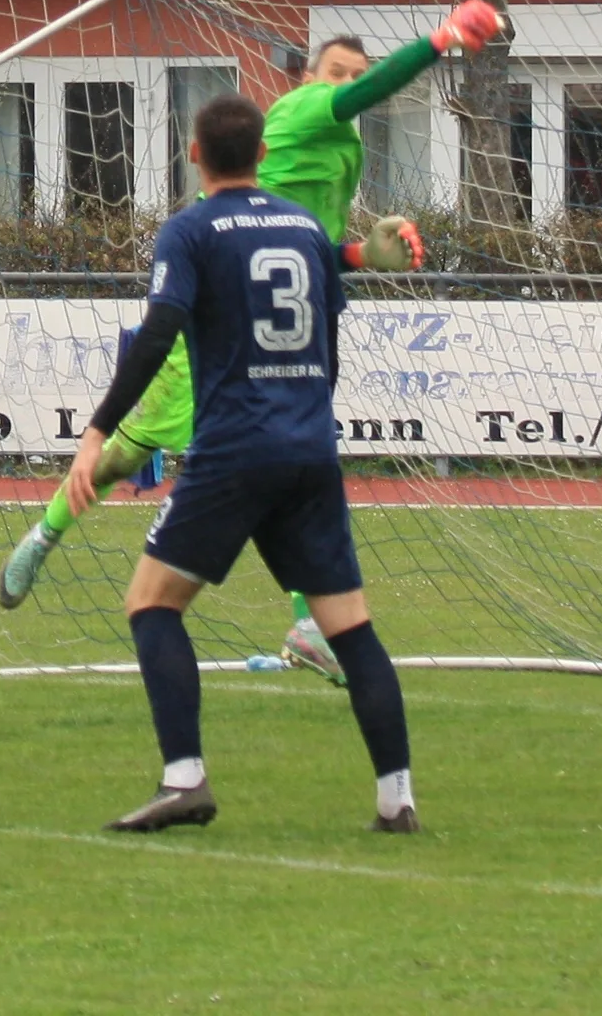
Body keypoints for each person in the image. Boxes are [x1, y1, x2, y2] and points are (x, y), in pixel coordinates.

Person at [0, 0, 504, 687]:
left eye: (349, 73)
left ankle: (305, 624)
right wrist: (440, 40)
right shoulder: (308, 111)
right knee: (133, 451)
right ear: (304, 80)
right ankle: (46, 532)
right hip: (223, 309)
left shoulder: (338, 139)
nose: (342, 83)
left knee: (290, 460)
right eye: (331, 71)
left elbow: (314, 249)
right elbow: (371, 90)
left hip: (288, 324)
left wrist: (363, 254)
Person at [66, 92, 419, 833]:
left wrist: (99, 429)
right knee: (349, 627)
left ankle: (183, 777)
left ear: (193, 155)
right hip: (309, 447)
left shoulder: (189, 231)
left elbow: (161, 328)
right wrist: (361, 254)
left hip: (233, 450)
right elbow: (326, 306)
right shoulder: (300, 223)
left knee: (150, 602)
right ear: (262, 155)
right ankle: (396, 796)